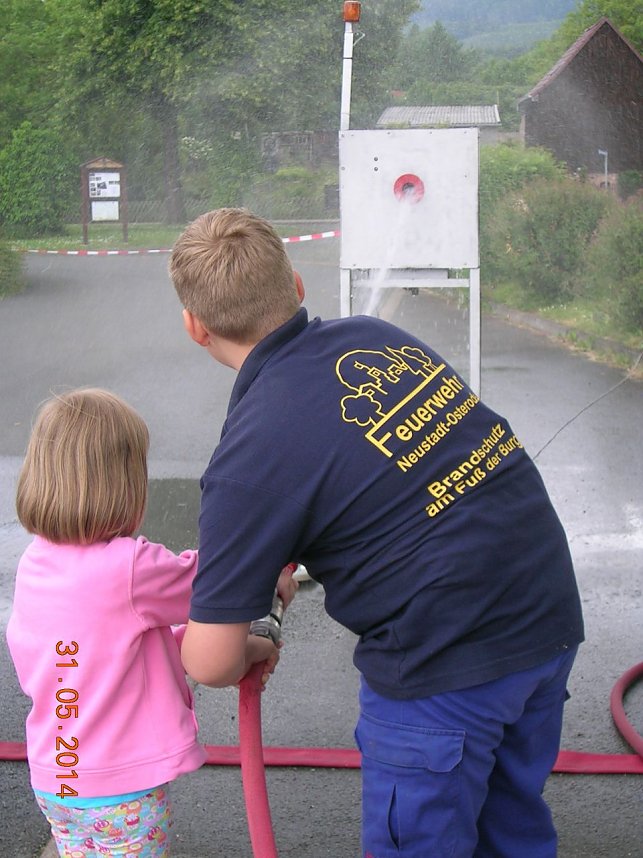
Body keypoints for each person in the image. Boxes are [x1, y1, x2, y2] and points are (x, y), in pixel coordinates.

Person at [168, 208, 585, 858]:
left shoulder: (249, 456)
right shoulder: (375, 337)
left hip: (443, 664)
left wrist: (257, 639)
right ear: (296, 286)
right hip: (546, 617)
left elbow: (208, 660)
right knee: (510, 828)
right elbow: (387, 476)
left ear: (195, 326)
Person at [7, 389, 213, 857]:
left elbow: (96, 653)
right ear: (126, 486)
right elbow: (213, 585)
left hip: (57, 780)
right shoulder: (131, 567)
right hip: (122, 791)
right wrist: (272, 563)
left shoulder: (35, 563)